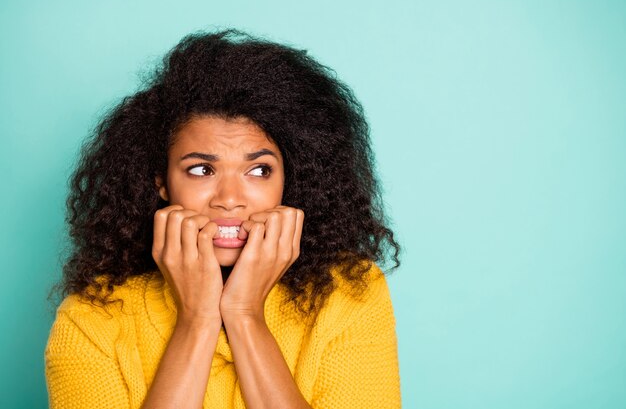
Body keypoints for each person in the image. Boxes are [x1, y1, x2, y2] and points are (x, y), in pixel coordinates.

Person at [45, 29, 401, 409]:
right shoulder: (90, 321)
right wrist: (196, 320)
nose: (230, 201)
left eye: (259, 171)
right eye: (201, 170)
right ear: (162, 183)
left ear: (290, 180)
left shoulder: (349, 294)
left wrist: (245, 315)